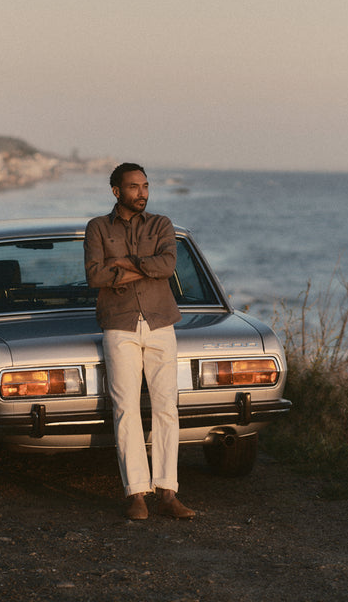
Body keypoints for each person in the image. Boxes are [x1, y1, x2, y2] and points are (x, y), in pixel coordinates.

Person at [84, 162, 195, 520]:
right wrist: (141, 265)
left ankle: (168, 492)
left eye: (145, 186)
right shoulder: (98, 227)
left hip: (162, 323)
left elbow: (167, 266)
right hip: (119, 325)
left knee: (166, 408)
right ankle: (136, 494)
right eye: (133, 187)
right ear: (116, 191)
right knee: (127, 409)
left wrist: (124, 265)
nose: (142, 192)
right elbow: (95, 275)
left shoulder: (162, 224)